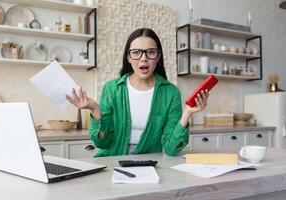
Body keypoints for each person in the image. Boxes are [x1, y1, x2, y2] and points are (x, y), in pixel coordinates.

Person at [66, 28, 209, 157]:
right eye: (136, 52)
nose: (143, 58)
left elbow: (171, 149)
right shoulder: (111, 89)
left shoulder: (171, 93)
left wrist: (187, 114)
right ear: (128, 57)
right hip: (113, 162)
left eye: (151, 52)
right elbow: (102, 143)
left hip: (150, 165)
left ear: (158, 57)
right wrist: (95, 109)